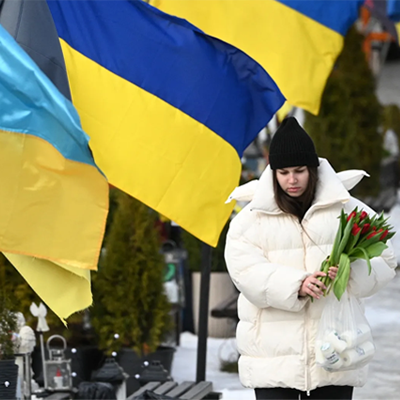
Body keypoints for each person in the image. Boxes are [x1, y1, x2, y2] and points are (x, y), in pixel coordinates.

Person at [224, 117, 397, 400]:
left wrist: (346, 272)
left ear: (313, 169)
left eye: (300, 170)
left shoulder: (347, 208)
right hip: (273, 356)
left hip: (335, 349)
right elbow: (244, 271)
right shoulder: (251, 219)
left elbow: (385, 258)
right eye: (283, 172)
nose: (292, 180)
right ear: (273, 173)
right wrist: (297, 285)